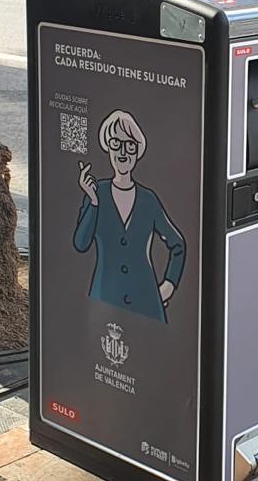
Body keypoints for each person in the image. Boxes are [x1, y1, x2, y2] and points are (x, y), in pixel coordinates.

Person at [74, 109, 185, 323]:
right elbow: (81, 243)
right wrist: (94, 203)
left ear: (137, 152)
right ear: (108, 147)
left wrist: (168, 286)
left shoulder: (148, 199)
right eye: (116, 143)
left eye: (130, 145)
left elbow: (178, 244)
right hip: (105, 299)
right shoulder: (96, 192)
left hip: (147, 304)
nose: (123, 152)